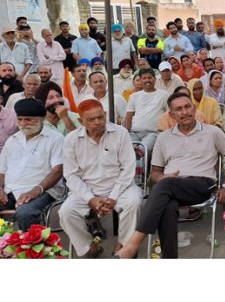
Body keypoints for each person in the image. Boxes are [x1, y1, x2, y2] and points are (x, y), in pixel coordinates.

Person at [114, 92, 225, 259]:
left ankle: (132, 245)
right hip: (170, 188)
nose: (185, 112)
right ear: (171, 115)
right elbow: (155, 174)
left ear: (194, 109)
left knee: (163, 187)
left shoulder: (212, 132)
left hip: (202, 184)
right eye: (178, 109)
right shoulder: (164, 137)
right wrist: (161, 178)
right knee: (167, 204)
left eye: (187, 107)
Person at [59, 99, 143, 258]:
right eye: (91, 119)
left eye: (100, 117)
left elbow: (128, 169)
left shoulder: (120, 133)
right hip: (87, 189)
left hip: (121, 187)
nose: (98, 122)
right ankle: (90, 248)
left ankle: (124, 247)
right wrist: (90, 198)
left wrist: (113, 197)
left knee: (134, 202)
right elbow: (71, 175)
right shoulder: (71, 139)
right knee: (66, 212)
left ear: (105, 115)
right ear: (80, 121)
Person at [0, 98, 65, 230]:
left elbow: (58, 171)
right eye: (20, 119)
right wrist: (0, 189)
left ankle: (31, 248)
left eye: (28, 119)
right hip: (10, 190)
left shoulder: (55, 139)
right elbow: (2, 170)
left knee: (25, 213)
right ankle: (5, 247)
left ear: (42, 118)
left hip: (43, 191)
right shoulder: (12, 140)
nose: (23, 124)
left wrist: (36, 190)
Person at [124, 69, 169, 157]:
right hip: (134, 133)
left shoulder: (164, 95)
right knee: (128, 149)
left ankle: (143, 170)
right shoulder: (134, 96)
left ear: (155, 79)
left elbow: (169, 115)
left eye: (150, 78)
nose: (147, 80)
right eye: (144, 78)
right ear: (140, 80)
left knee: (142, 150)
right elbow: (128, 117)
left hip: (152, 133)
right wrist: (125, 134)